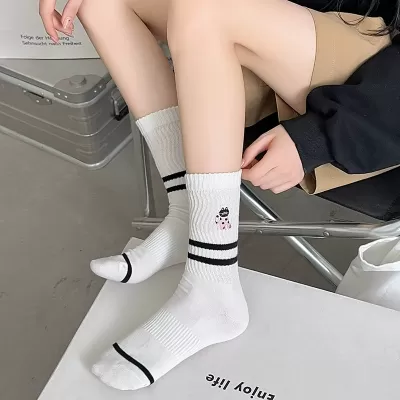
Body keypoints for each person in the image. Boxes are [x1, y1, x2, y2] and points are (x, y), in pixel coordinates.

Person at [40, 0, 400, 391]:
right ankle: (188, 215)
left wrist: (320, 137)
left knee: (203, 9)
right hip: (295, 29)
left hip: (378, 101)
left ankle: (212, 286)